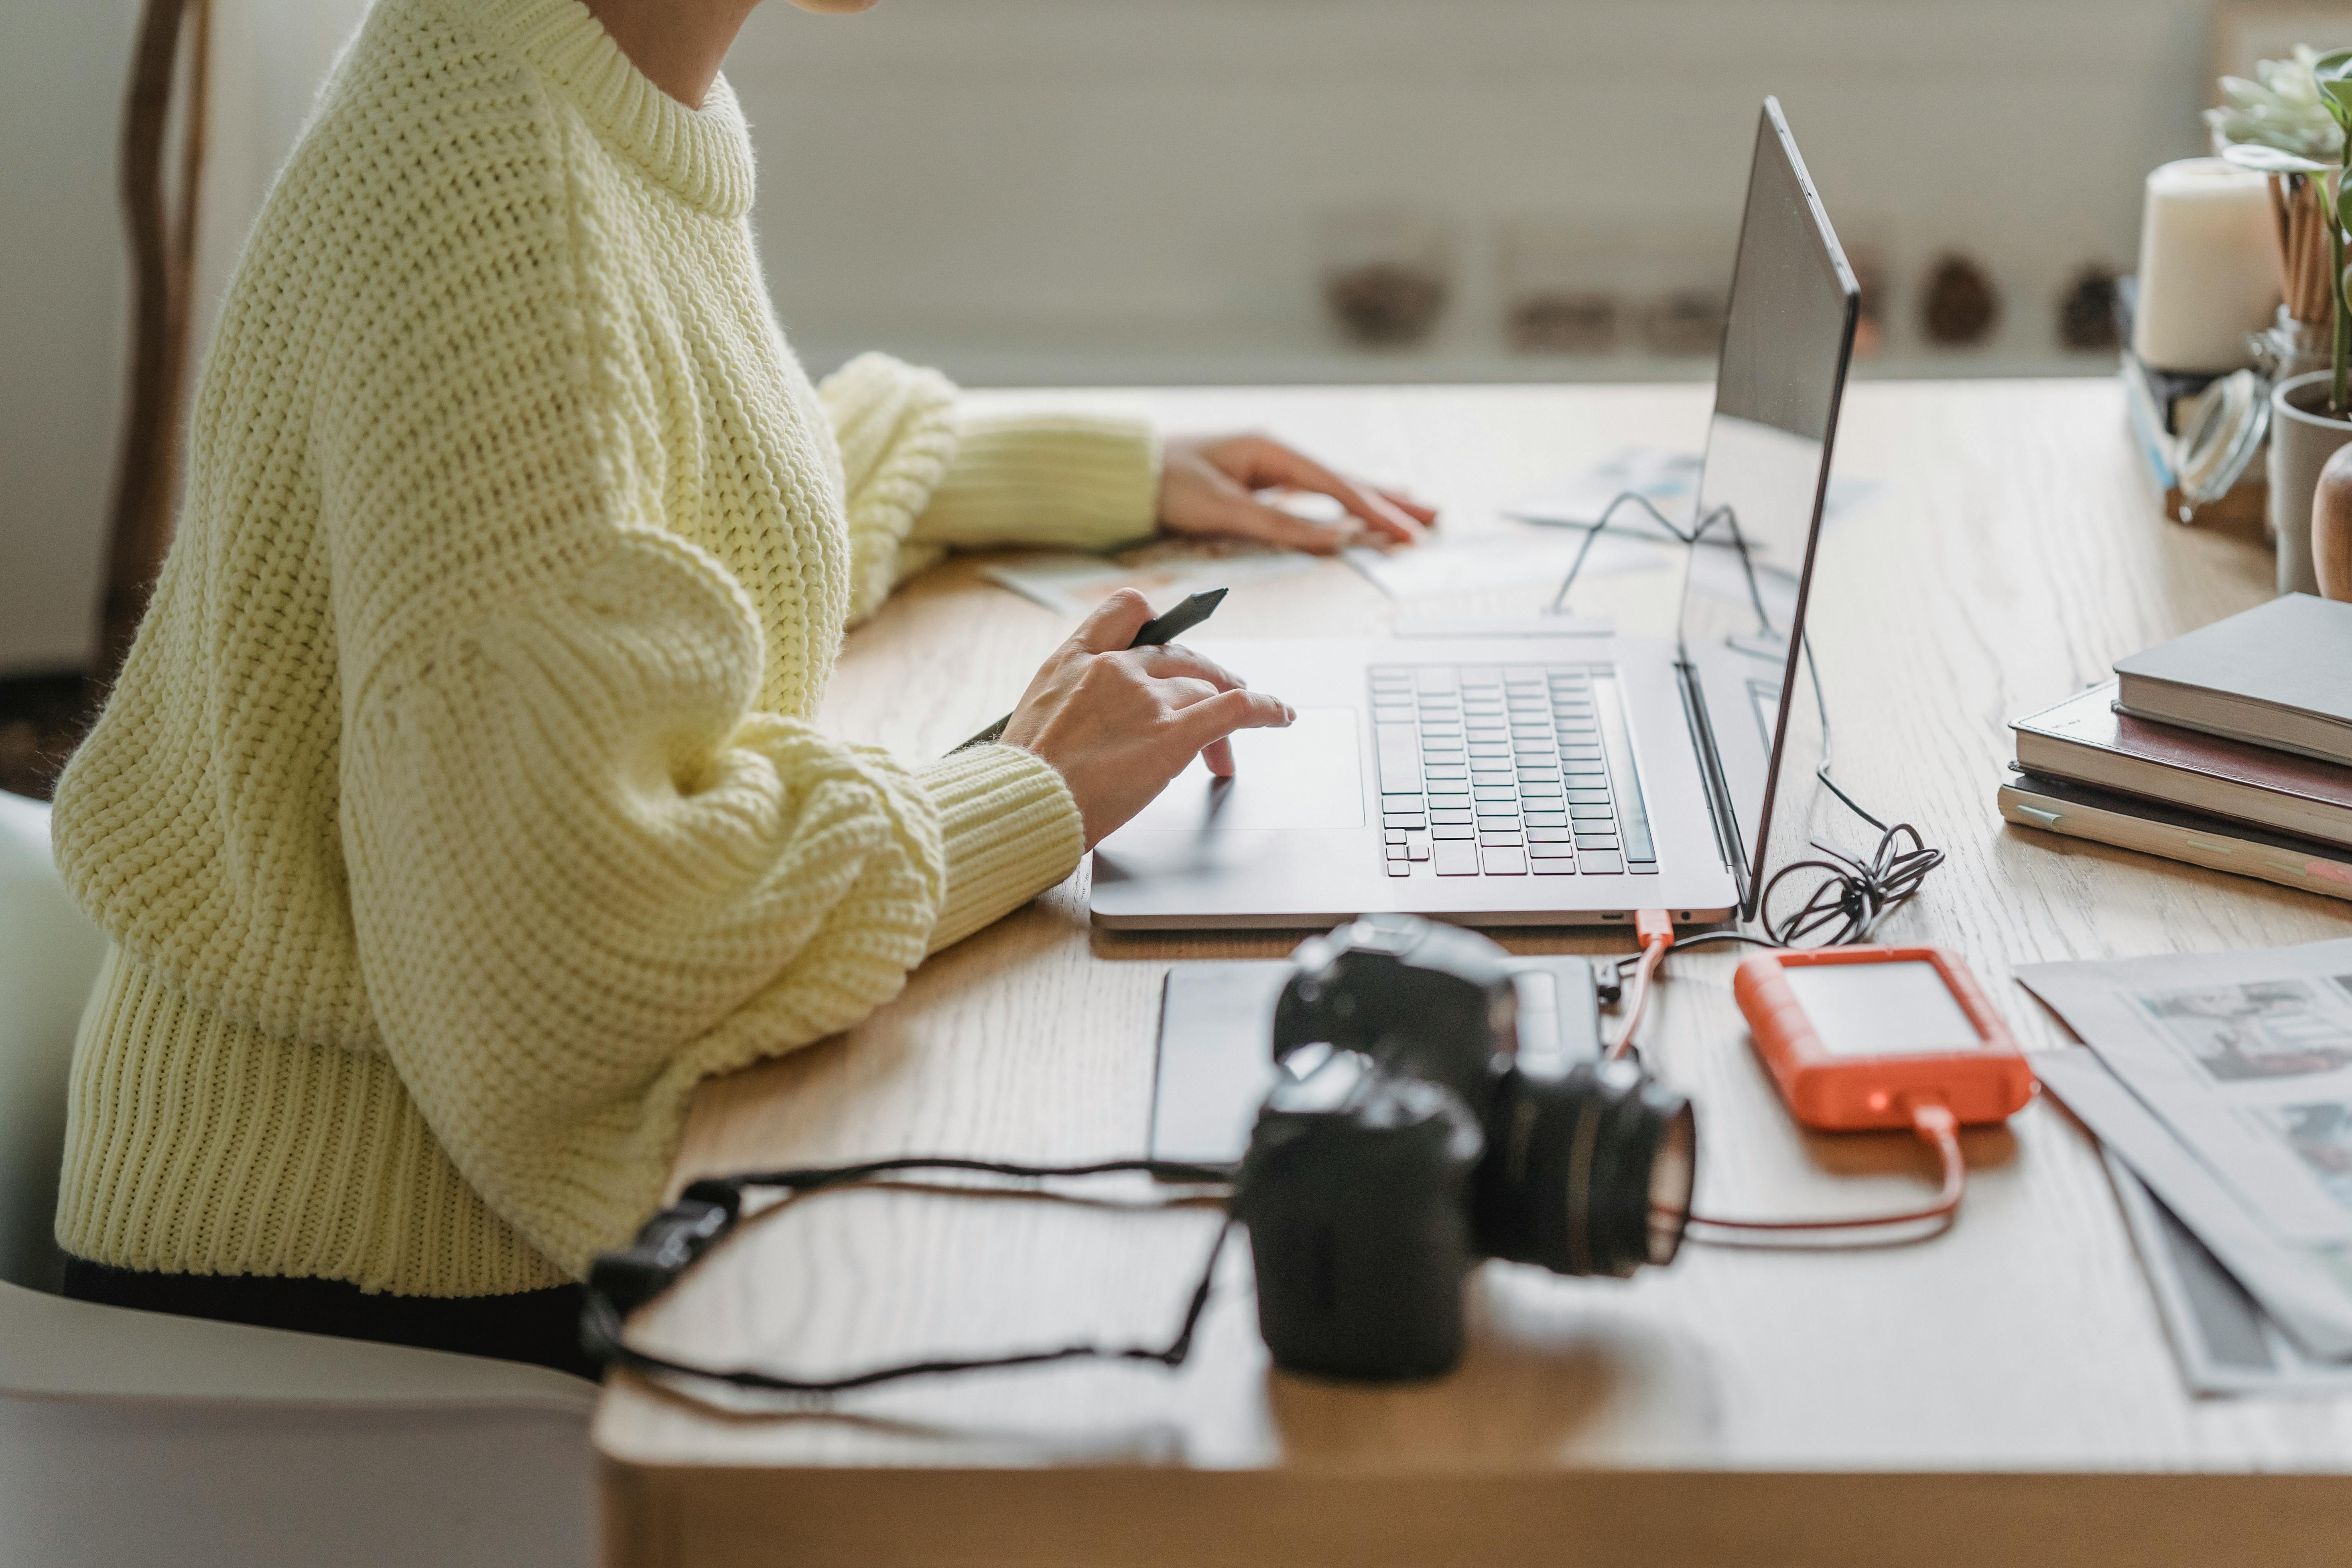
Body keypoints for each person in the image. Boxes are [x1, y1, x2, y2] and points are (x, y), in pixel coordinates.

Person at [46, 0, 1433, 1378]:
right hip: (359, 1285)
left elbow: (640, 517)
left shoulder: (562, 66)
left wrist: (1095, 470)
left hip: (422, 1180)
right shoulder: (494, 181)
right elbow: (565, 942)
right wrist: (1021, 797)